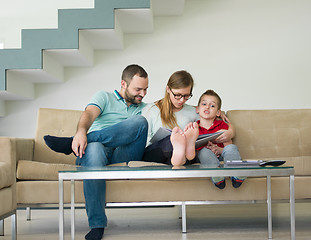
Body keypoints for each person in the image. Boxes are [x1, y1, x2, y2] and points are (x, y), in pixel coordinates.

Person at [44, 64, 149, 240]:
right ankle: (97, 225)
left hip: (124, 156)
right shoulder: (104, 97)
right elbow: (89, 114)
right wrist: (80, 133)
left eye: (146, 89)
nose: (143, 94)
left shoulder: (145, 107)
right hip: (95, 152)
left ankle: (70, 144)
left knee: (140, 122)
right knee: (93, 148)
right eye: (138, 89)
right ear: (124, 84)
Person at [142, 70, 235, 166]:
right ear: (168, 89)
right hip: (155, 153)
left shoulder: (192, 111)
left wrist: (231, 131)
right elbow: (143, 142)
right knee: (171, 140)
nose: (182, 100)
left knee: (183, 151)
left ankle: (183, 154)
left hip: (178, 156)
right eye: (177, 95)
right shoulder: (151, 110)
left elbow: (213, 119)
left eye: (186, 96)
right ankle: (182, 149)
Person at [172, 89, 246, 189]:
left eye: (212, 106)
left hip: (221, 156)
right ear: (197, 109)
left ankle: (237, 174)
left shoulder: (221, 125)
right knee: (204, 152)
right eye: (204, 104)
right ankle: (217, 176)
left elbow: (228, 146)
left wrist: (218, 150)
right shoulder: (193, 128)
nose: (207, 107)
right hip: (204, 157)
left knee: (232, 148)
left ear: (218, 112)